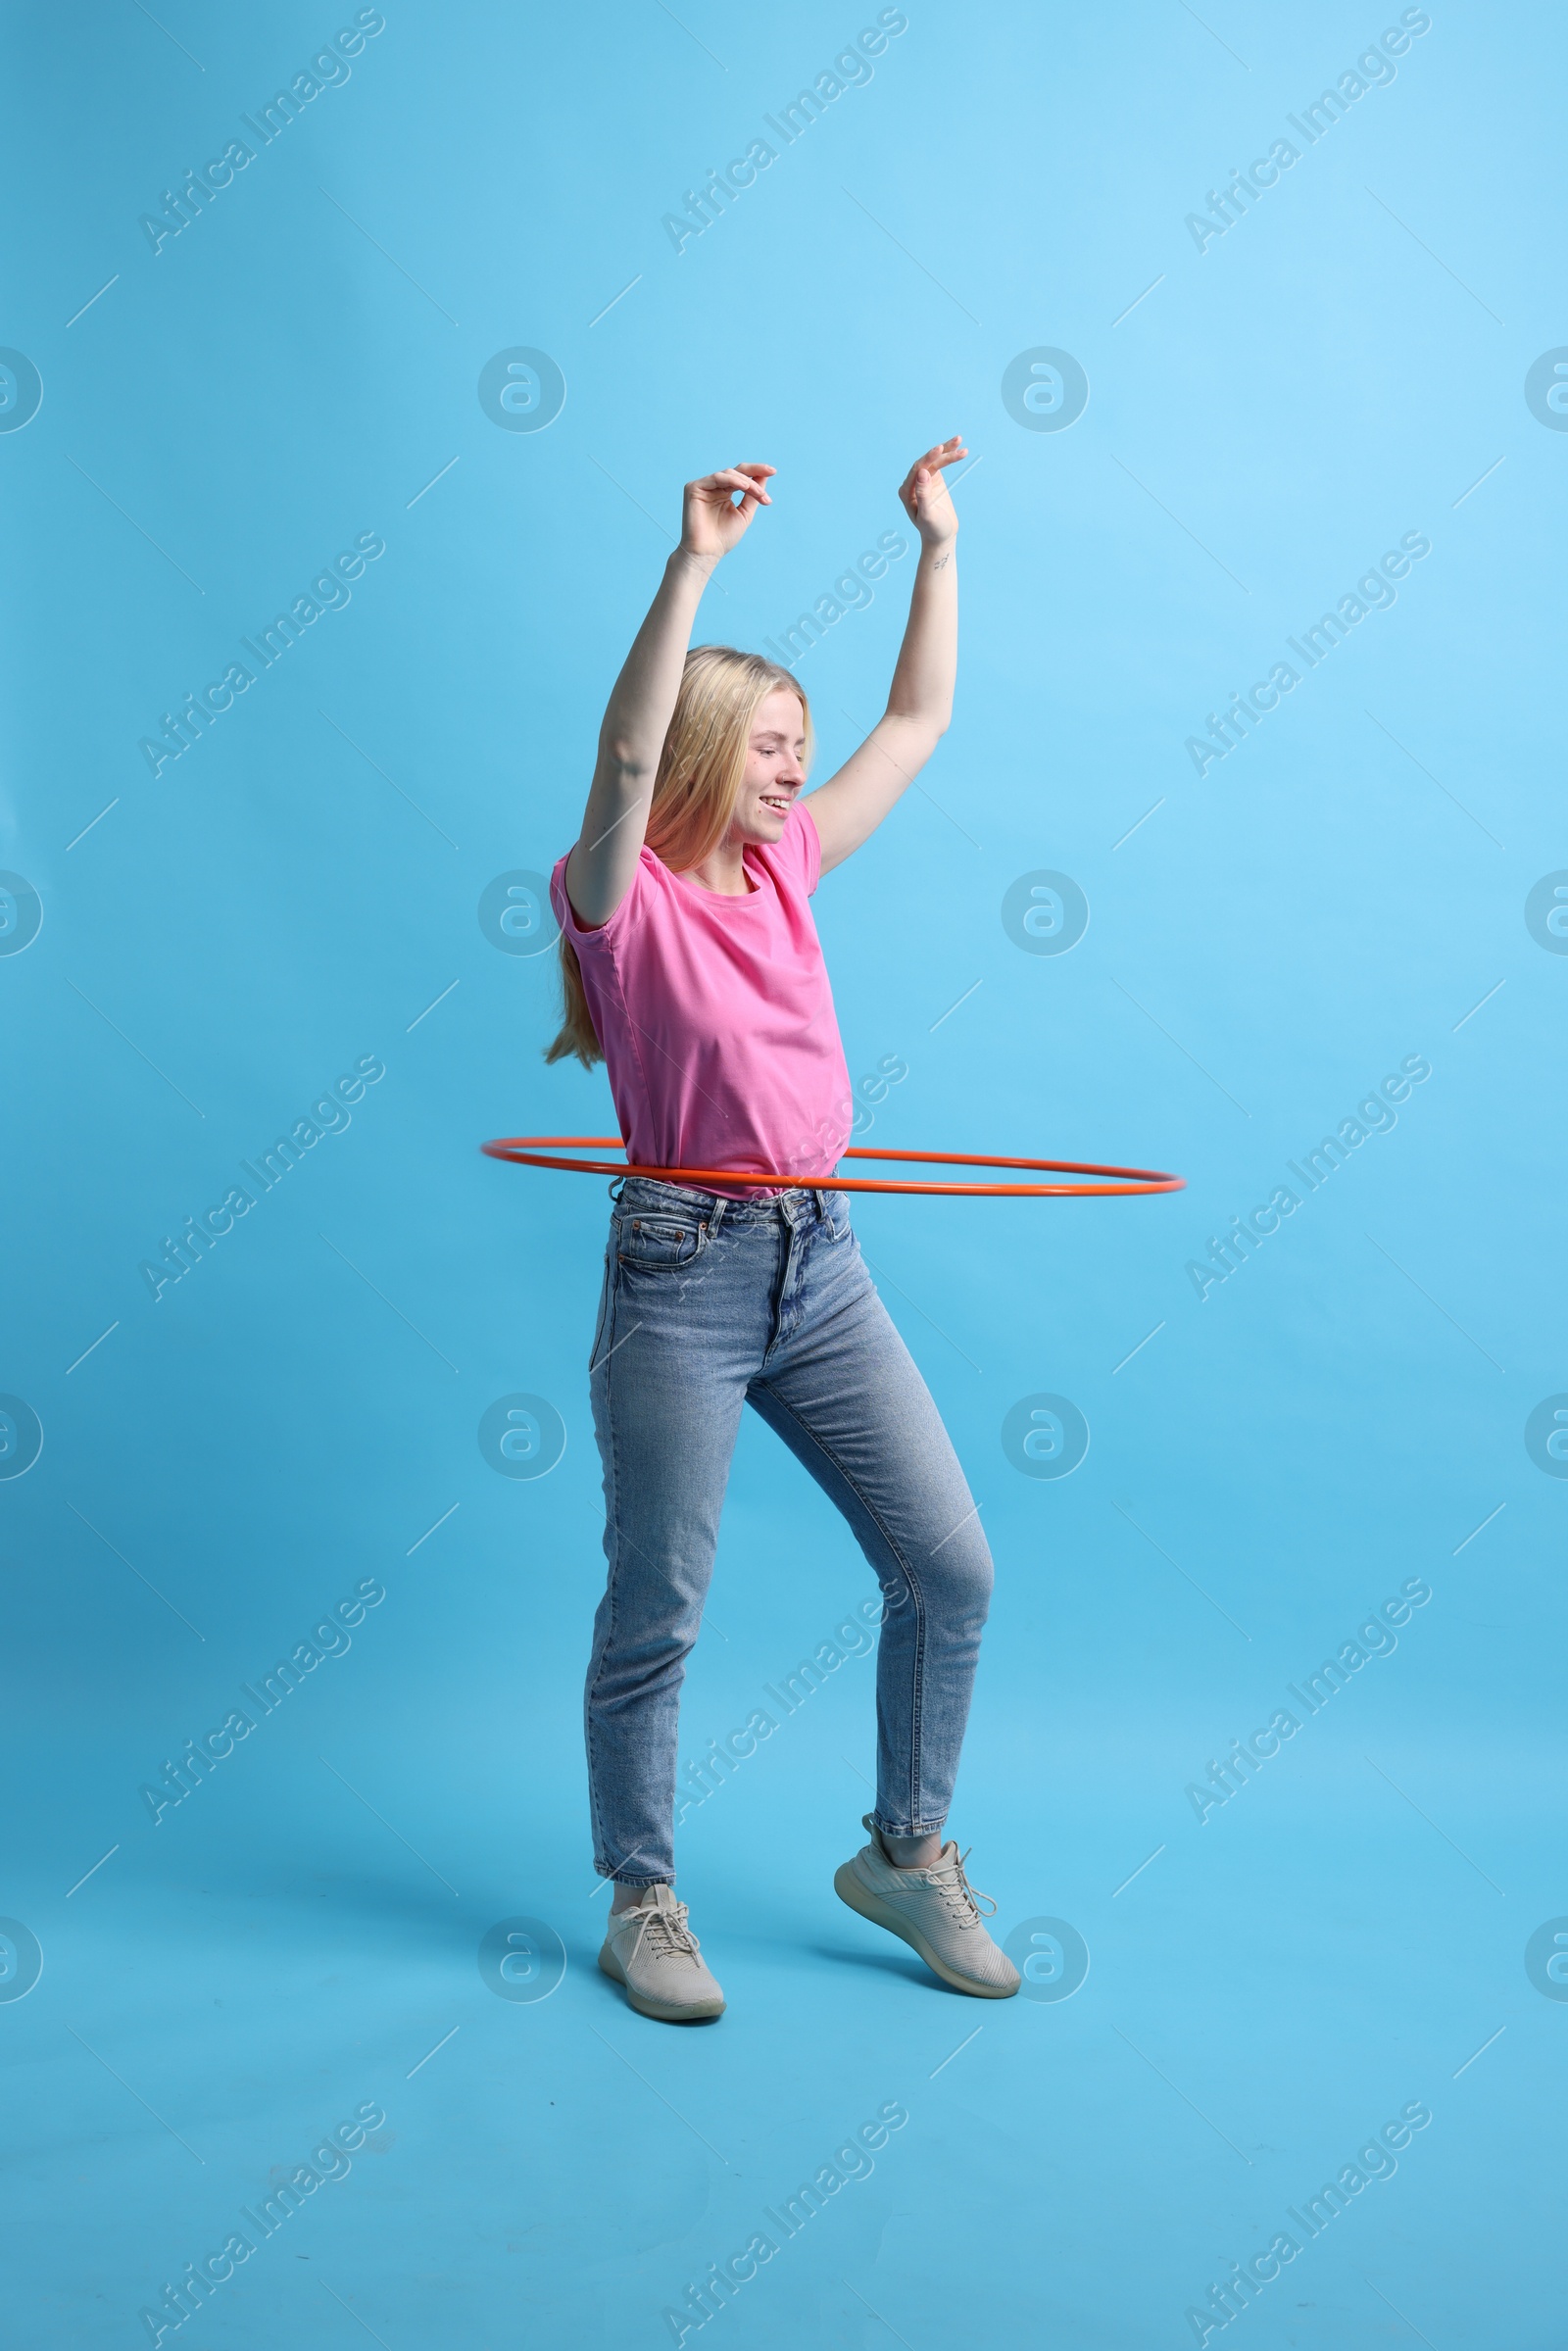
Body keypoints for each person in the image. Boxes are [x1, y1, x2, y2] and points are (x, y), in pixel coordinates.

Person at [547, 441, 1019, 2023]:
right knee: (659, 1605)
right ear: (698, 750)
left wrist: (936, 548)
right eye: (763, 745)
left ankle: (907, 1853)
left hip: (819, 1265)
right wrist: (692, 568)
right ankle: (643, 1896)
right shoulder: (619, 898)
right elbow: (618, 768)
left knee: (949, 1568)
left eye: (795, 747)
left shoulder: (793, 863)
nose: (790, 767)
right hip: (680, 1268)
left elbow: (923, 722)